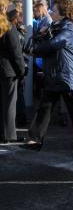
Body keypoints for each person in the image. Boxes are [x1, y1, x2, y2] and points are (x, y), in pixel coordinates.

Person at [21, 0, 73, 150]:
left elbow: (56, 43)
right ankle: (35, 139)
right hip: (54, 74)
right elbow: (42, 41)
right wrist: (40, 36)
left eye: (55, 10)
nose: (51, 12)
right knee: (45, 107)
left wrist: (35, 49)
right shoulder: (55, 26)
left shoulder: (68, 27)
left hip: (65, 75)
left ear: (63, 13)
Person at [0, 11, 26, 143]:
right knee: (9, 104)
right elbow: (16, 52)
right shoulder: (8, 26)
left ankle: (4, 133)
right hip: (8, 71)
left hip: (4, 69)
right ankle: (9, 135)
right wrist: (22, 71)